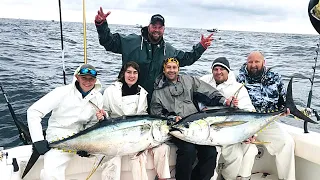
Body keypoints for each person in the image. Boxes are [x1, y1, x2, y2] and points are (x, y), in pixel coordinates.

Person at [95, 7, 214, 103]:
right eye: (154, 26)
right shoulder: (130, 42)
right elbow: (108, 42)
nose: (156, 30)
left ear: (164, 29)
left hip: (154, 99)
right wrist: (101, 25)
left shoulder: (168, 50)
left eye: (160, 27)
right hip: (127, 97)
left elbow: (187, 58)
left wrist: (201, 47)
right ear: (148, 26)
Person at [150, 57, 238, 180]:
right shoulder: (158, 92)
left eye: (174, 67)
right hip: (176, 128)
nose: (171, 70)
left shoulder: (189, 81)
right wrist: (172, 118)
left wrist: (225, 101)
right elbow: (156, 114)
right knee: (188, 151)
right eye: (168, 67)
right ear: (164, 70)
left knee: (210, 152)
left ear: (178, 69)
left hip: (196, 125)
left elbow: (208, 93)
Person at [27, 64, 103, 180]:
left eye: (91, 79)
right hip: (58, 136)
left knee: (107, 158)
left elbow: (91, 124)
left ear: (95, 80)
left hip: (82, 138)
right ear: (77, 77)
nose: (88, 82)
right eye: (84, 78)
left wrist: (87, 147)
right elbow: (34, 111)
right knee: (51, 173)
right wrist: (38, 140)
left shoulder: (98, 98)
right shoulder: (62, 92)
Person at [96, 61, 171, 180]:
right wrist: (102, 116)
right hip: (116, 134)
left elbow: (143, 114)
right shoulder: (110, 91)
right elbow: (106, 112)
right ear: (123, 74)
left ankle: (163, 178)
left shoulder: (142, 93)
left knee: (162, 148)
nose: (132, 76)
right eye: (129, 72)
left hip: (137, 136)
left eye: (135, 73)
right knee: (112, 160)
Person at [237, 51, 295, 180]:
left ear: (264, 62)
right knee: (248, 149)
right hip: (247, 123)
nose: (253, 65)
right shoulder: (240, 78)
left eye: (257, 61)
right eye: (250, 62)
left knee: (287, 142)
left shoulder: (275, 77)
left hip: (268, 121)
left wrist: (286, 108)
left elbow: (283, 99)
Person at [200, 57, 258, 180]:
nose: (218, 72)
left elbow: (249, 111)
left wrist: (252, 133)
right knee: (212, 156)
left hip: (229, 131)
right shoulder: (203, 81)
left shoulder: (238, 88)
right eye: (215, 69)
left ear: (228, 71)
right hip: (207, 130)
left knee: (237, 156)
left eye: (222, 69)